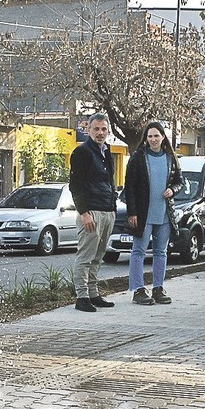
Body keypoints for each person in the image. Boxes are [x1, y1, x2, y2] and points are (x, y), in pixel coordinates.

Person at [123, 121, 181, 305]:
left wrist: (173, 190)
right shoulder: (138, 158)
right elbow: (129, 187)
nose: (153, 139)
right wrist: (132, 213)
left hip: (164, 214)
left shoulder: (171, 158)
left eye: (156, 135)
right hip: (143, 214)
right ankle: (138, 290)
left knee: (161, 252)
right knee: (138, 251)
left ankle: (158, 288)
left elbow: (180, 181)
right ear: (146, 139)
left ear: (163, 137)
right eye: (150, 136)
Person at [68, 114, 118, 312]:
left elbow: (108, 182)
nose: (100, 133)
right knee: (85, 257)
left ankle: (93, 293)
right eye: (96, 129)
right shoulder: (82, 152)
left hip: (107, 210)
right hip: (91, 212)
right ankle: (81, 297)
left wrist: (112, 205)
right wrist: (84, 213)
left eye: (103, 129)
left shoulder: (106, 151)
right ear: (88, 130)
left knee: (98, 256)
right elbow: (75, 186)